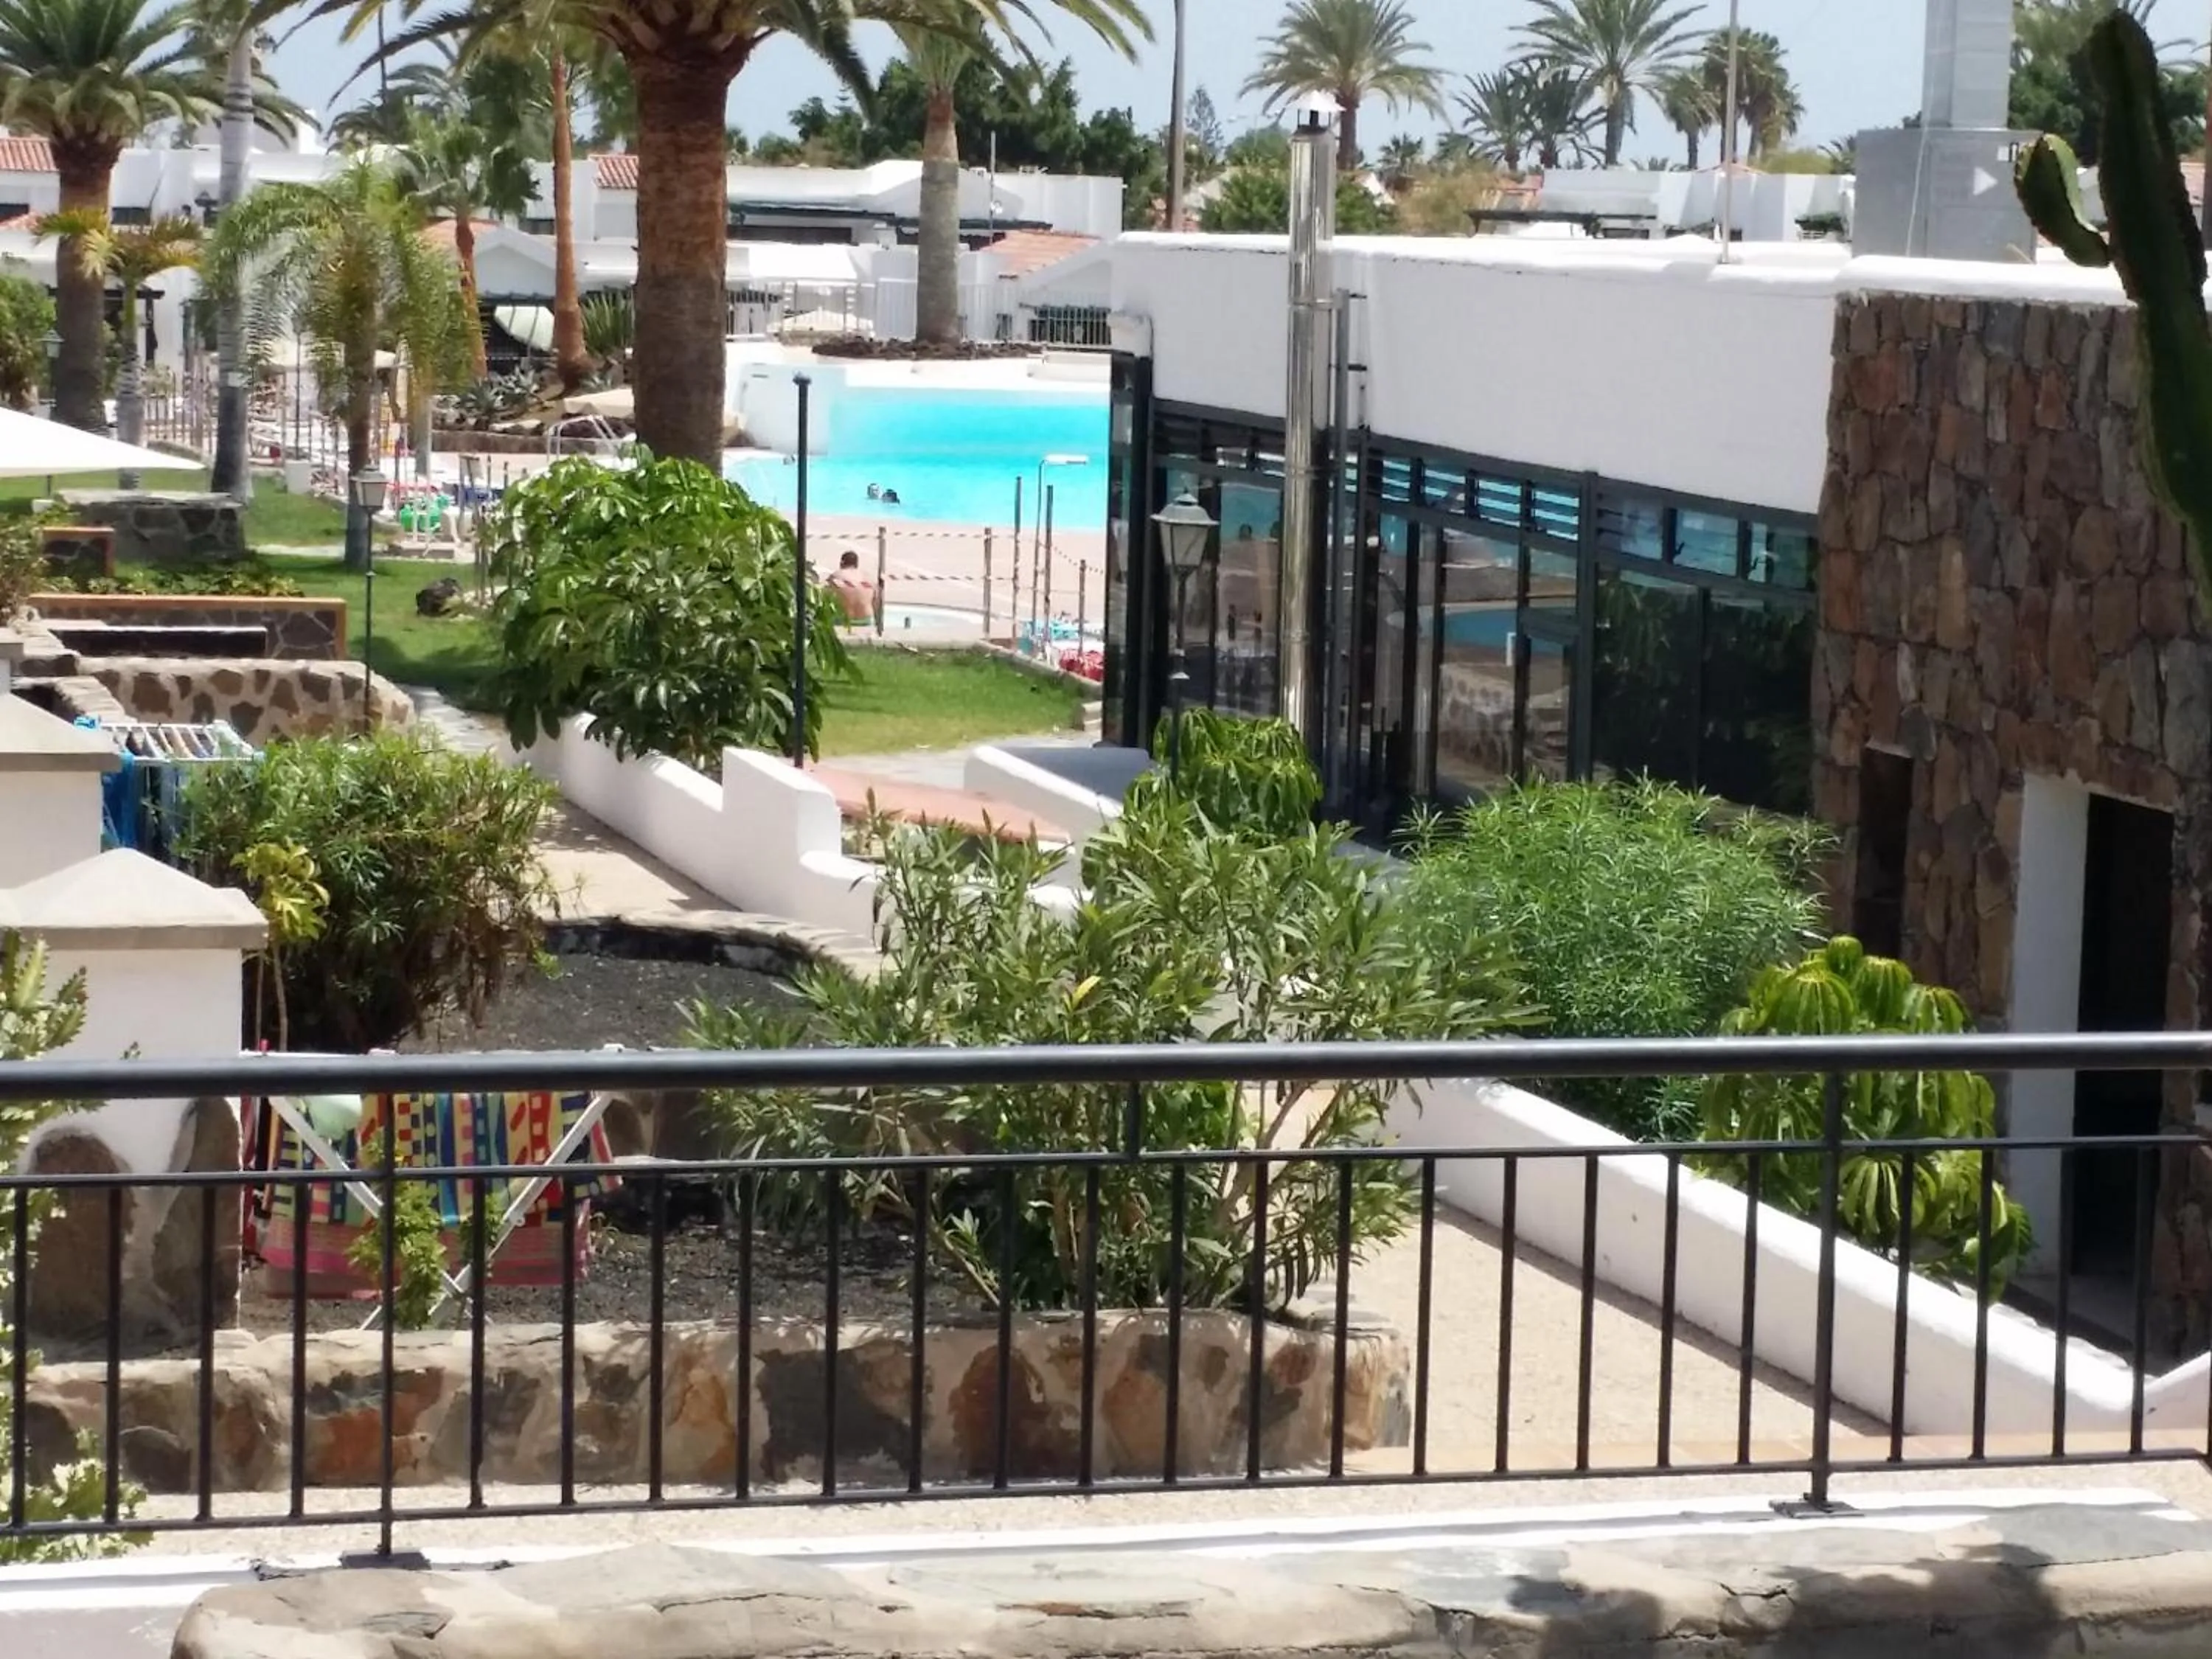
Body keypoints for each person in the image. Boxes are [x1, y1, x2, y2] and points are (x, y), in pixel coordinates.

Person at [827, 550, 876, 624]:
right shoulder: (867, 577)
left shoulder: (836, 576)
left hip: (842, 620)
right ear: (857, 564)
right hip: (865, 620)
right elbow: (877, 601)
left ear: (841, 563)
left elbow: (824, 598)